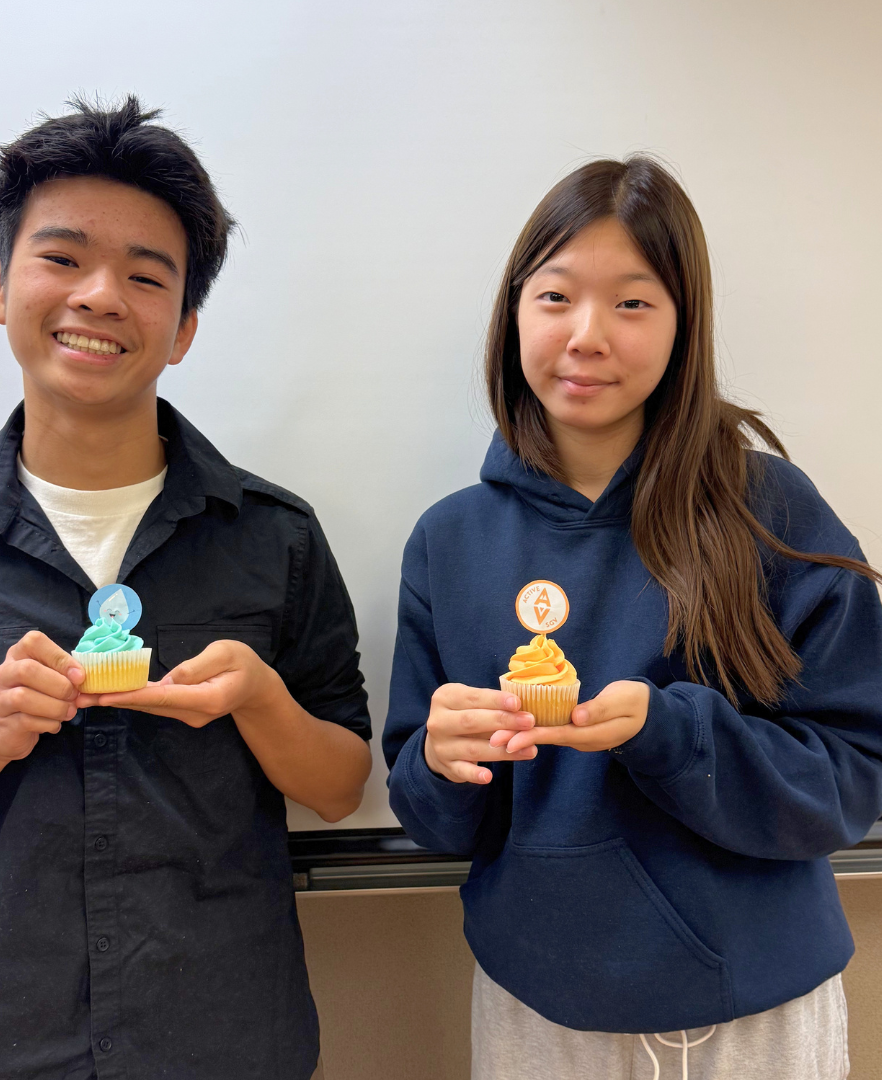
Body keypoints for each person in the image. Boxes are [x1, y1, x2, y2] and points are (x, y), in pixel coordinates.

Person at [0, 97, 372, 1080]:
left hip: (230, 1044)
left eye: (146, 276)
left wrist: (259, 699)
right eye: (62, 259)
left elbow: (338, 783)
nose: (101, 296)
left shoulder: (274, 539)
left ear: (185, 326)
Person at [382, 156, 882, 1080]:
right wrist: (442, 763)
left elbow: (856, 776)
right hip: (539, 1010)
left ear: (685, 323)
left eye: (633, 303)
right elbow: (433, 820)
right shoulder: (449, 541)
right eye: (556, 296)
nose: (587, 335)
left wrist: (674, 731)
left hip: (757, 1011)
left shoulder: (766, 507)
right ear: (514, 313)